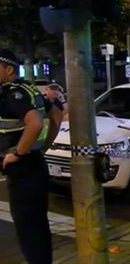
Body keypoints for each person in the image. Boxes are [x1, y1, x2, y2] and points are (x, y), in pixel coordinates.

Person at [0, 48, 63, 264]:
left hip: (23, 170)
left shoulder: (10, 93)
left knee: (28, 229)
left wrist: (17, 153)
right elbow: (56, 114)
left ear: (8, 69)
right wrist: (42, 147)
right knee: (38, 227)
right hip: (36, 164)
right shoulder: (29, 88)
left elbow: (35, 122)